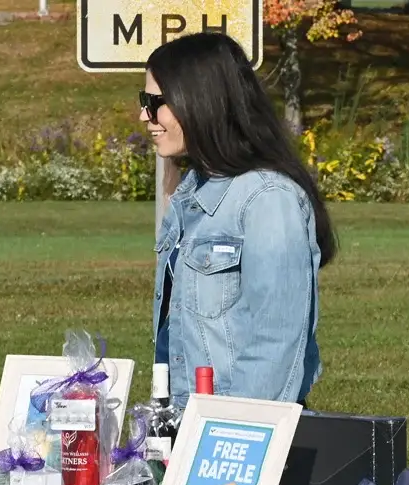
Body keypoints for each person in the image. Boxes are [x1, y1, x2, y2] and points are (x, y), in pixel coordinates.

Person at [143, 32, 337, 410]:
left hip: (236, 439)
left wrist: (228, 434)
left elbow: (276, 344)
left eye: (156, 103)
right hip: (183, 425)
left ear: (200, 100)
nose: (144, 116)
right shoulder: (190, 192)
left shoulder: (266, 199)